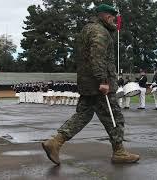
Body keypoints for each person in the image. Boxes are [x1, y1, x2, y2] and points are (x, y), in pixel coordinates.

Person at [42, 4, 140, 165]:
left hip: (87, 83)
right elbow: (97, 56)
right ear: (107, 17)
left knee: (83, 115)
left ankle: (55, 142)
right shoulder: (99, 31)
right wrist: (103, 80)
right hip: (99, 85)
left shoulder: (86, 29)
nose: (114, 21)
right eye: (112, 18)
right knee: (114, 117)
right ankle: (119, 152)